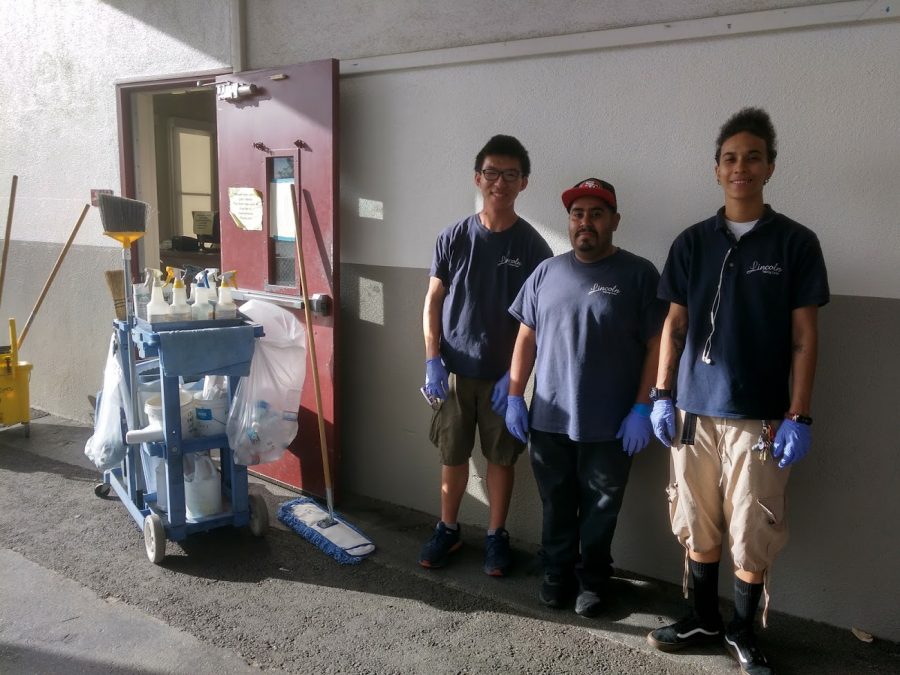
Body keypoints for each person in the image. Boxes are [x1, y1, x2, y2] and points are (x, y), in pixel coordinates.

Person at [646, 108, 829, 675]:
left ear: (770, 167)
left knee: (752, 530)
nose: (740, 167)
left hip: (762, 419)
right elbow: (673, 326)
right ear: (716, 169)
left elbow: (804, 337)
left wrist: (799, 414)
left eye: (753, 157)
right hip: (693, 413)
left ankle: (744, 630)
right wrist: (660, 394)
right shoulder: (692, 243)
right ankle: (702, 616)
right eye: (730, 158)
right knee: (695, 522)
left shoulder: (796, 243)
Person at [505, 178, 665, 616]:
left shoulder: (638, 274)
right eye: (577, 214)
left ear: (614, 221)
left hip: (611, 425)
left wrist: (642, 407)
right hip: (549, 421)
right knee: (556, 504)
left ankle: (593, 579)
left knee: (601, 509)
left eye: (596, 214)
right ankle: (556, 573)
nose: (585, 223)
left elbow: (658, 344)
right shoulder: (546, 273)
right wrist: (516, 395)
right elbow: (526, 338)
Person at [420, 134, 553, 576]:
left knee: (500, 459)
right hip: (455, 373)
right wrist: (432, 358)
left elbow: (537, 322)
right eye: (492, 173)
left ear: (524, 183)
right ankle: (449, 529)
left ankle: (497, 536)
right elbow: (434, 300)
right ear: (478, 178)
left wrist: (517, 383)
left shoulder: (534, 247)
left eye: (510, 174)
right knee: (452, 456)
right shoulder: (454, 237)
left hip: (503, 379)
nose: (500, 182)